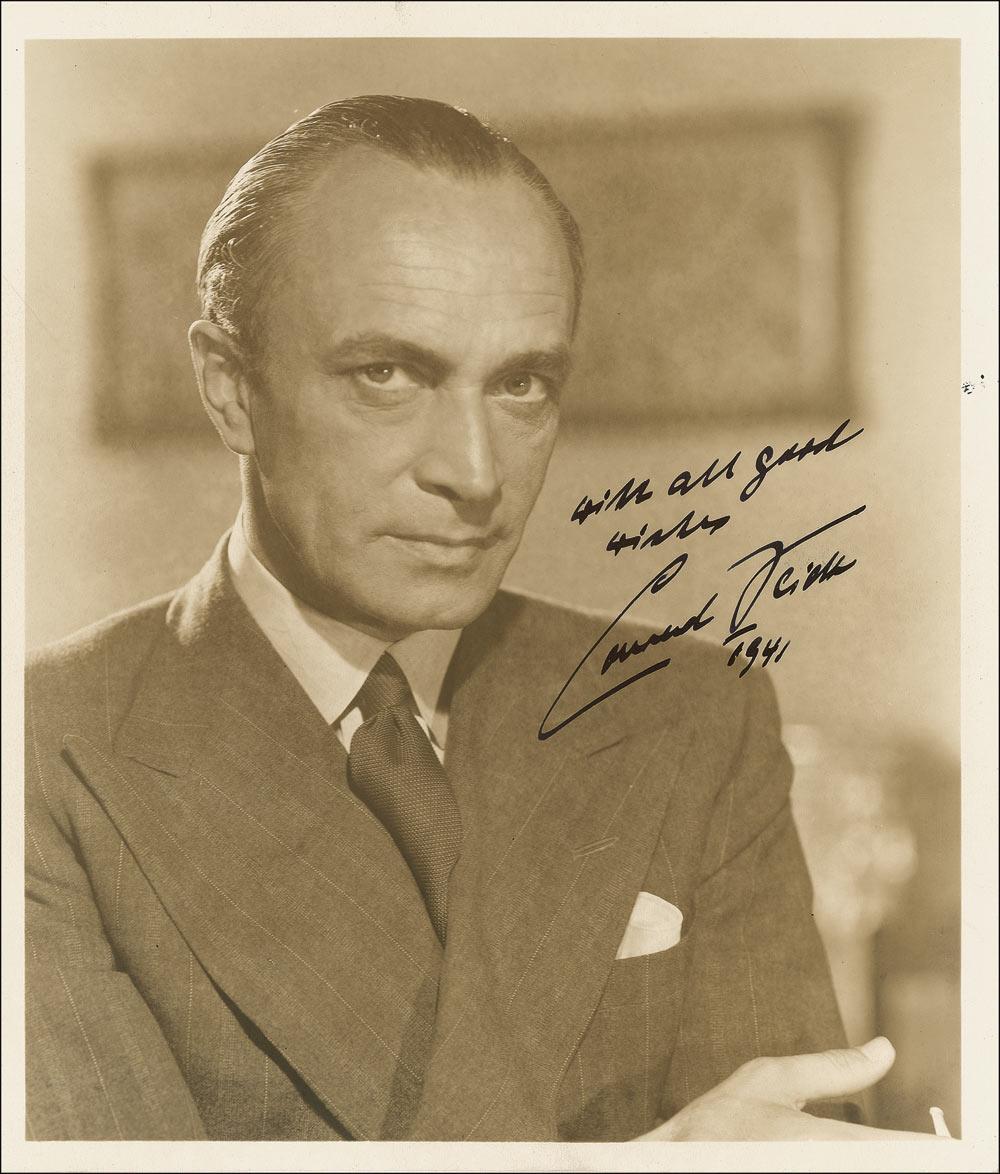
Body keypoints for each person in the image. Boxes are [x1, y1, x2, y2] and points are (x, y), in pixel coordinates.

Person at [24, 95, 937, 1143]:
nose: (473, 473)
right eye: (387, 375)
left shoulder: (691, 714)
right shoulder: (48, 750)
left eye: (522, 384)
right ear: (230, 387)